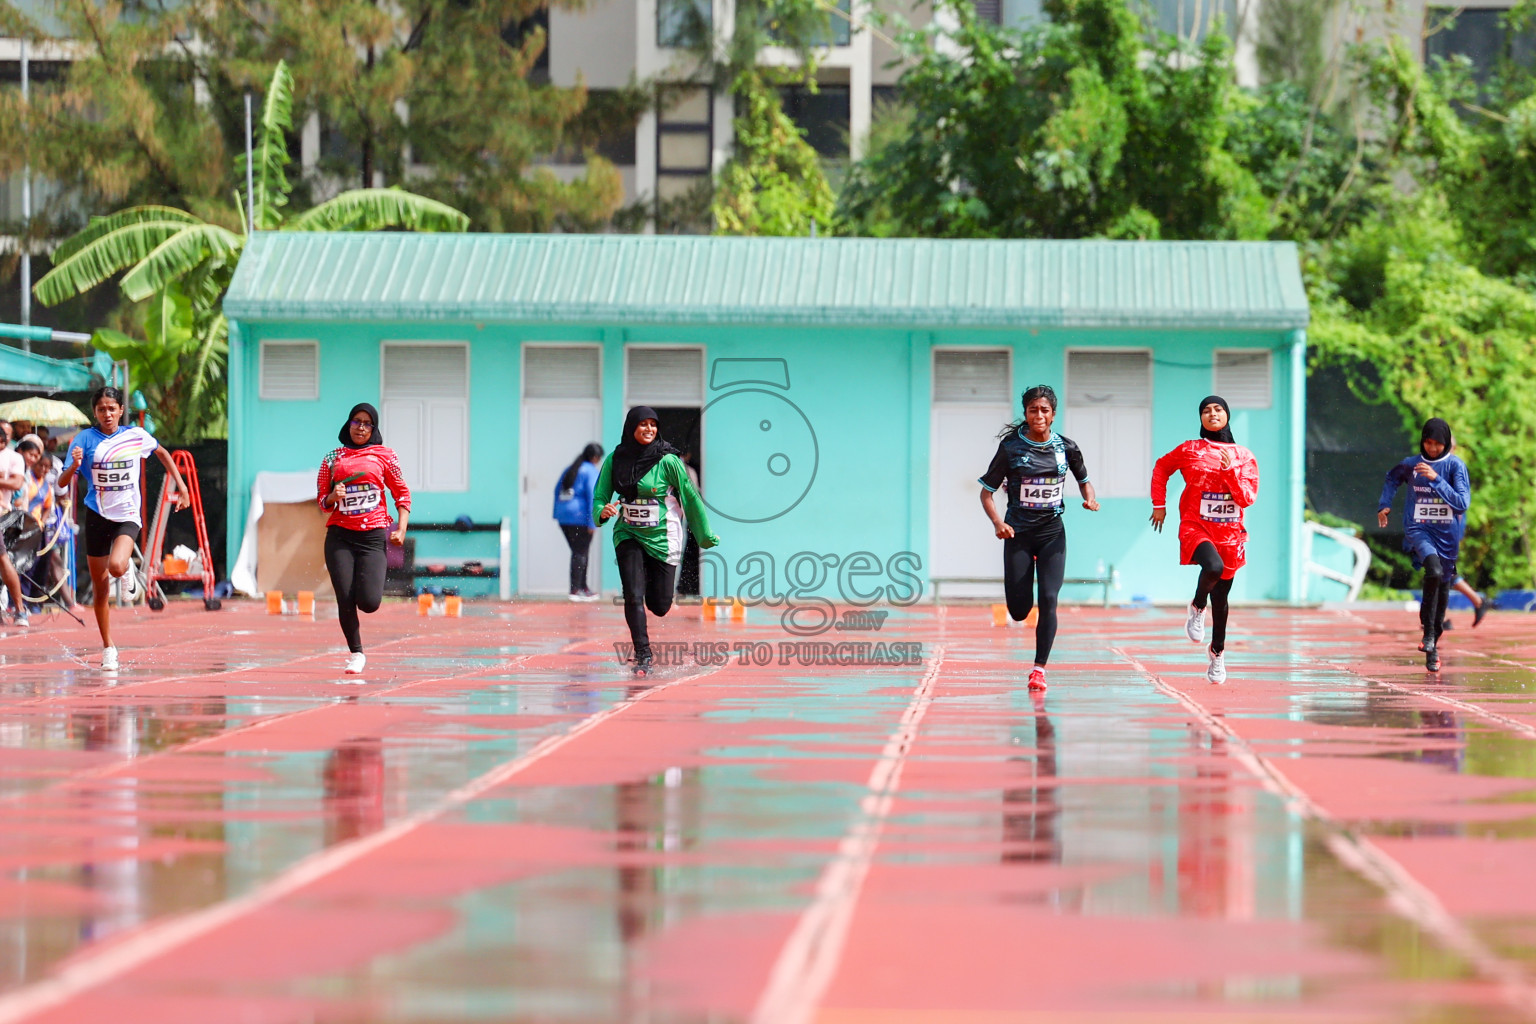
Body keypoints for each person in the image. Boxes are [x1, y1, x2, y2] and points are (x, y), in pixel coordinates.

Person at [57, 387, 191, 669]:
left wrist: (182, 487)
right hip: (96, 515)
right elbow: (61, 482)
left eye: (112, 408)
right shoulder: (83, 440)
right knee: (101, 588)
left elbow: (164, 454)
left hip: (127, 515)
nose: (107, 414)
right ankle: (109, 647)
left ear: (120, 411)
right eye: (102, 409)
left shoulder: (135, 436)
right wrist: (75, 466)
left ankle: (128, 568)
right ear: (95, 412)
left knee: (117, 567)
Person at [978, 385, 1099, 692]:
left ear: (1053, 415)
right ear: (1027, 414)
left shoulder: (1067, 448)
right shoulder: (1011, 448)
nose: (1039, 415)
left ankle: (1038, 669)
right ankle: (1021, 600)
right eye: (1034, 410)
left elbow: (1085, 482)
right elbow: (986, 494)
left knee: (1049, 599)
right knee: (1019, 611)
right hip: (1017, 533)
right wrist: (997, 524)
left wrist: (1090, 499)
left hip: (1051, 534)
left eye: (1045, 410)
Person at [593, 406, 720, 677]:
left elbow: (690, 497)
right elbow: (600, 496)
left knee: (660, 606)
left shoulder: (669, 461)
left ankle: (652, 581)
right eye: (643, 424)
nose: (649, 429)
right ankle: (643, 655)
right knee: (632, 595)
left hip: (663, 536)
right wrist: (602, 512)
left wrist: (704, 534)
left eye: (653, 424)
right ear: (631, 427)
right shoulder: (616, 459)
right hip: (628, 533)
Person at [1150, 396, 1260, 685]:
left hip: (1230, 535)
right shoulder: (1190, 449)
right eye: (1206, 410)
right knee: (1211, 567)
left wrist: (1230, 472)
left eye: (1218, 409)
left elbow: (1247, 498)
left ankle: (1218, 652)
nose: (1212, 414)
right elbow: (1162, 467)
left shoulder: (1244, 456)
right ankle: (1197, 607)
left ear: (1227, 415)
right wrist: (1158, 504)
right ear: (1200, 418)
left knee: (1222, 598)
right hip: (1196, 526)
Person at [316, 403, 411, 675]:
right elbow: (322, 502)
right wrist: (333, 497)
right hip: (340, 537)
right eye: (356, 421)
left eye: (367, 423)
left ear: (374, 428)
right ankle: (356, 654)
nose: (361, 427)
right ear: (348, 424)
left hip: (371, 537)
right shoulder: (332, 457)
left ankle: (363, 585)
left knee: (369, 603)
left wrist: (401, 528)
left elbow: (402, 494)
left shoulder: (385, 456)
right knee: (344, 598)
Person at [1377, 417, 1470, 672]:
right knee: (1435, 571)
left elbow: (1462, 503)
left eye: (1437, 445)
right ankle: (1427, 632)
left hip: (1446, 534)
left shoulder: (1455, 467)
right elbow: (1392, 478)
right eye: (1428, 443)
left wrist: (1437, 480)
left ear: (1446, 443)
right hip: (1418, 529)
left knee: (1443, 585)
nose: (1432, 449)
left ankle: (1433, 644)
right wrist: (1384, 505)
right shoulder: (1411, 464)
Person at [552, 443, 603, 602]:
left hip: (564, 517)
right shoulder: (590, 470)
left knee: (578, 551)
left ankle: (582, 587)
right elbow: (592, 495)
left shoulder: (571, 468)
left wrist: (556, 513)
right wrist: (593, 522)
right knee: (581, 552)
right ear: (595, 457)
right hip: (579, 517)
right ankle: (576, 589)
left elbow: (556, 491)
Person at [0, 435, 28, 628]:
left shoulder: (13, 457)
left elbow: (17, 483)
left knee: (2, 559)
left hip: (2, 512)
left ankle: (20, 609)